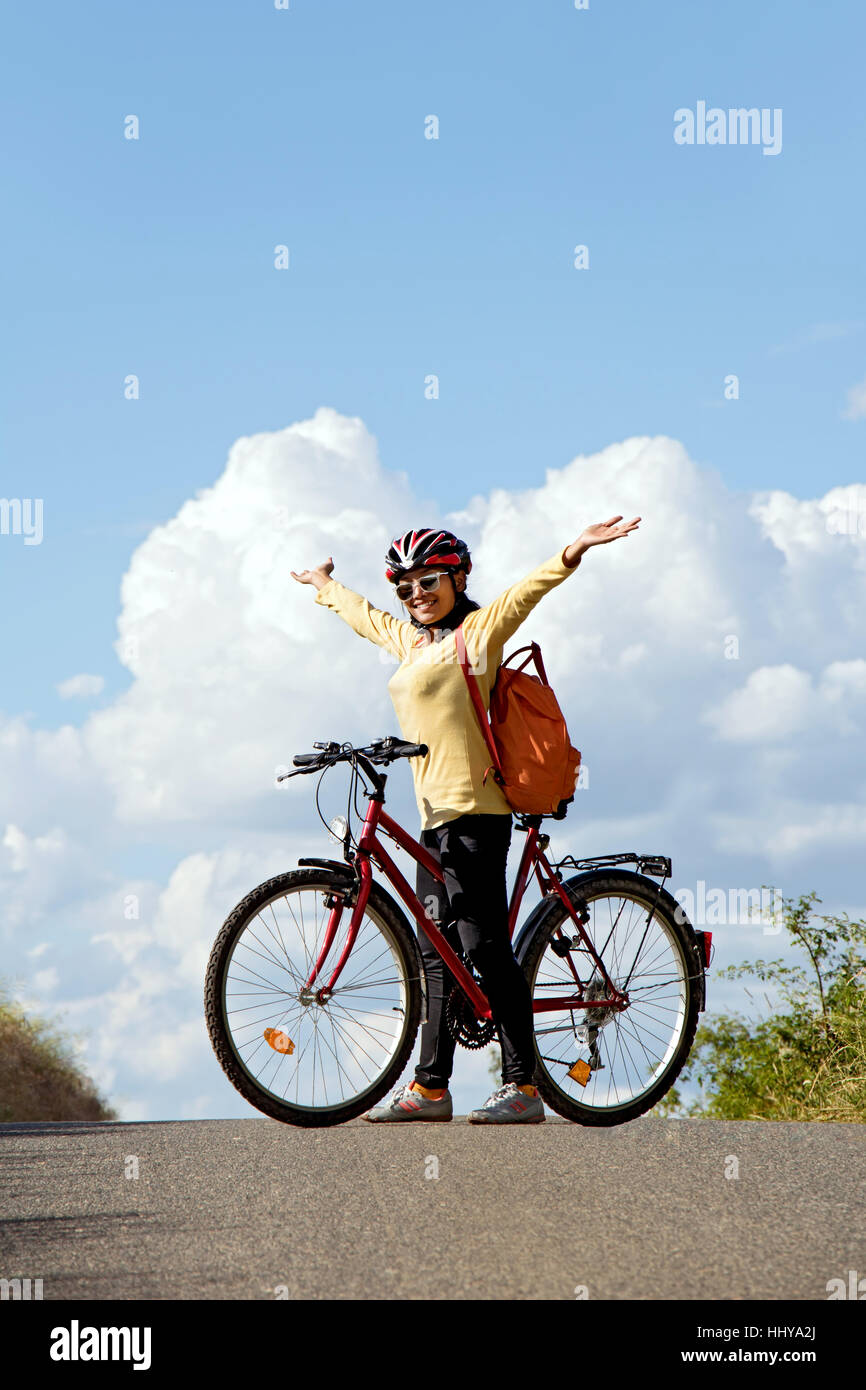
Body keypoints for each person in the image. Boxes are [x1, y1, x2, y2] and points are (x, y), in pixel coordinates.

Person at [291, 515, 640, 1122]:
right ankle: (430, 1089)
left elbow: (524, 593)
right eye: (405, 587)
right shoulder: (411, 643)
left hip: (479, 813)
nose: (415, 595)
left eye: (428, 581)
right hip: (433, 817)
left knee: (482, 943)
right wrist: (325, 585)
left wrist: (574, 548)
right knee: (436, 952)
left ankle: (525, 1087)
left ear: (456, 579)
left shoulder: (476, 637)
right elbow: (367, 620)